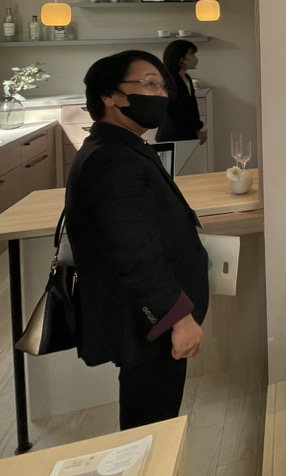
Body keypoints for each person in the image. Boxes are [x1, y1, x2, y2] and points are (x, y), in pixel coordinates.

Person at [65, 50, 209, 429]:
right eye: (149, 84)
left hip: (151, 322)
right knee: (151, 424)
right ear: (109, 95)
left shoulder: (123, 146)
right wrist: (178, 318)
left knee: (154, 414)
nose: (161, 94)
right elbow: (134, 254)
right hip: (151, 324)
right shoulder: (112, 160)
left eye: (163, 86)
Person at [156, 39, 206, 145]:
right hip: (173, 137)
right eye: (192, 54)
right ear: (181, 59)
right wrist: (194, 133)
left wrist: (198, 129)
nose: (195, 58)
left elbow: (191, 108)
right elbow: (174, 114)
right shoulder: (169, 81)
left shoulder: (186, 78)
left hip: (186, 135)